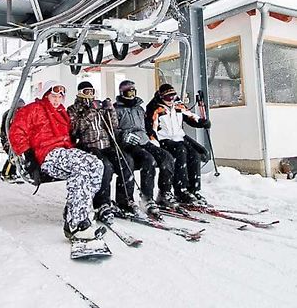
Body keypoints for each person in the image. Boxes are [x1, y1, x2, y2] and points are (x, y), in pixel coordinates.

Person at [9, 80, 104, 240]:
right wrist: (28, 156)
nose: (57, 100)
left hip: (65, 152)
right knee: (80, 169)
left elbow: (68, 135)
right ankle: (75, 224)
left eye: (60, 97)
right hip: (47, 154)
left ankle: (77, 208)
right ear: (46, 95)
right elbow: (16, 131)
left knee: (96, 165)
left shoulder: (62, 113)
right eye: (54, 96)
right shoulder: (33, 109)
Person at [67, 81, 133, 222]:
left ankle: (125, 200)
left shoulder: (99, 106)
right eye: (86, 91)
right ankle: (102, 204)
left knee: (126, 161)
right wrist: (90, 113)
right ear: (80, 93)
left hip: (106, 144)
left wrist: (109, 110)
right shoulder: (74, 109)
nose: (90, 94)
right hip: (89, 145)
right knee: (105, 167)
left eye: (92, 91)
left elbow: (113, 124)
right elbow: (75, 129)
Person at [114, 80, 176, 215]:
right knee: (148, 160)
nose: (131, 95)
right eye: (128, 92)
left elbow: (146, 126)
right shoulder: (116, 110)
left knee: (167, 157)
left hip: (144, 141)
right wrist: (124, 135)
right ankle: (146, 198)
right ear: (122, 93)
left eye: (133, 92)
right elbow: (113, 130)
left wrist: (153, 135)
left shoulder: (139, 109)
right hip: (129, 144)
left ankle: (164, 193)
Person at [145, 83, 211, 204]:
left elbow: (190, 116)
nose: (170, 100)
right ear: (161, 97)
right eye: (167, 98)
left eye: (172, 97)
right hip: (164, 139)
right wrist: (154, 144)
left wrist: (202, 122)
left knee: (194, 154)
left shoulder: (177, 106)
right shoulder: (155, 108)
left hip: (179, 137)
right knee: (181, 151)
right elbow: (151, 129)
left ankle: (193, 189)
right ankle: (181, 189)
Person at [0, 98, 25, 179]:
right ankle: (6, 173)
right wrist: (7, 140)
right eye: (19, 107)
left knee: (16, 155)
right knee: (13, 155)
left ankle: (12, 172)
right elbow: (5, 128)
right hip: (7, 138)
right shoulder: (9, 114)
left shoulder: (23, 114)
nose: (20, 109)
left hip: (17, 139)